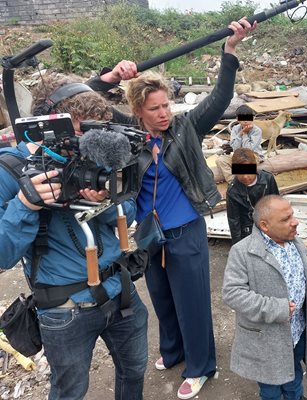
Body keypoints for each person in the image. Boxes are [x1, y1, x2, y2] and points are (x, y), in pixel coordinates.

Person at [88, 18, 256, 399]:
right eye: (155, 108)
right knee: (162, 299)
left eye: (167, 105)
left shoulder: (186, 128)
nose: (164, 113)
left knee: (193, 303)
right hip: (148, 233)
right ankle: (173, 351)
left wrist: (229, 52)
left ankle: (200, 366)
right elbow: (87, 104)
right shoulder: (128, 134)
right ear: (138, 111)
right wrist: (110, 77)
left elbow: (220, 97)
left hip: (185, 231)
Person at [0, 73, 147, 399]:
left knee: (135, 369)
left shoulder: (92, 149)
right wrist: (26, 204)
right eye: (82, 131)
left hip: (120, 291)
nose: (87, 144)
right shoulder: (10, 169)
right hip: (64, 311)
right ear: (47, 125)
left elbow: (130, 213)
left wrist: (106, 201)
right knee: (69, 392)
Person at [222, 195, 307, 400]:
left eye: (292, 215)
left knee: (293, 374)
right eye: (285, 219)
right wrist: (277, 309)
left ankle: (295, 396)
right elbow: (232, 293)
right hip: (266, 339)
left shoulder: (296, 244)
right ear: (265, 226)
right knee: (271, 386)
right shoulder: (243, 252)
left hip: (296, 332)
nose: (295, 221)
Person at [226, 147, 279, 244]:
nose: (245, 177)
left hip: (269, 226)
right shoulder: (232, 191)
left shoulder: (268, 179)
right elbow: (234, 221)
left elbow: (276, 206)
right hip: (248, 231)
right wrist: (237, 245)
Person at [216, 104, 264, 183]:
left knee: (244, 163)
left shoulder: (257, 131)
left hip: (253, 155)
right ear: (238, 119)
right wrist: (240, 134)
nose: (245, 121)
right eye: (242, 118)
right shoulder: (235, 129)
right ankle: (233, 182)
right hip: (238, 155)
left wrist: (245, 134)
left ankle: (244, 180)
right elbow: (235, 147)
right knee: (221, 160)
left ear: (253, 118)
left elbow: (248, 149)